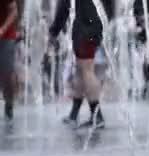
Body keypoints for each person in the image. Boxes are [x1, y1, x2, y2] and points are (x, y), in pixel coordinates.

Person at [49, 0, 115, 130]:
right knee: (80, 71)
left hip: (84, 28)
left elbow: (64, 6)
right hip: (93, 25)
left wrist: (54, 31)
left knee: (86, 71)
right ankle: (74, 115)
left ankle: (97, 116)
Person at [0, 0, 18, 122]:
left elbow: (14, 11)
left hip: (6, 36)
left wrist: (2, 29)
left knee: (6, 72)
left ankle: (9, 104)